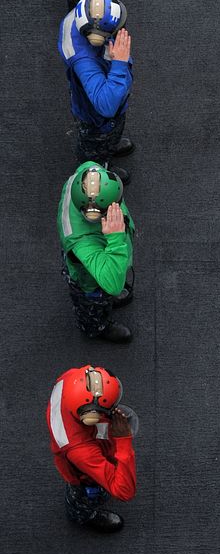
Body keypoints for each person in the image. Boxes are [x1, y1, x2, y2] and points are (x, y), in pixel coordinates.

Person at [46, 365, 137, 531]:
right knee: (85, 496)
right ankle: (83, 515)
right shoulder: (81, 451)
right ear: (90, 417)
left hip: (78, 448)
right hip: (83, 473)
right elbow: (125, 491)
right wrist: (123, 440)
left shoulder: (70, 379)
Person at [59, 0, 134, 184]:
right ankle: (101, 170)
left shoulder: (78, 17)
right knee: (93, 149)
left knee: (108, 137)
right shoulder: (85, 60)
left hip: (94, 107)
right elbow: (106, 106)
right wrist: (119, 63)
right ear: (96, 38)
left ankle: (109, 147)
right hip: (97, 120)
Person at [58, 162, 134, 342]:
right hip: (89, 280)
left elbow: (88, 163)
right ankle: (96, 326)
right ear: (95, 213)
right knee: (92, 301)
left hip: (98, 258)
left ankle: (104, 303)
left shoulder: (84, 176)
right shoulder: (81, 242)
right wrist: (116, 237)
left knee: (105, 286)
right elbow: (114, 285)